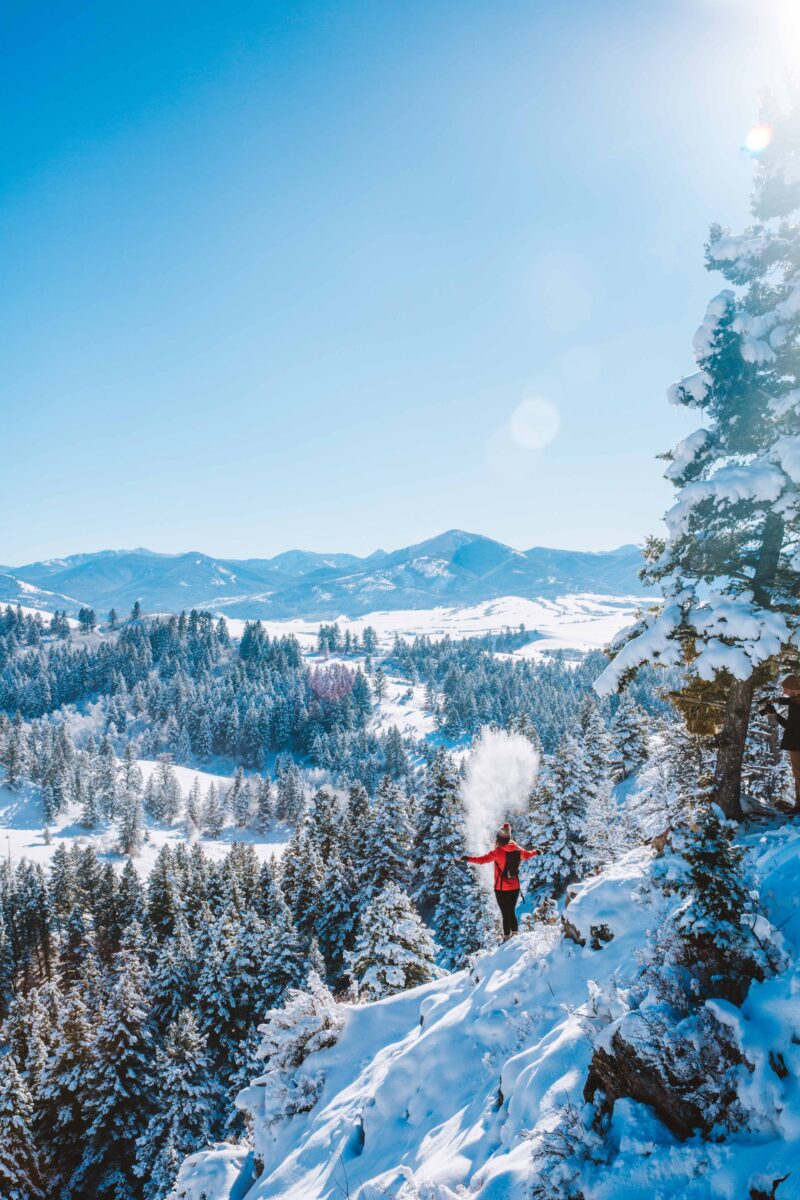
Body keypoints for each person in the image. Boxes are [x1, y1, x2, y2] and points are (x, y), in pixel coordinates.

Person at [461, 822, 538, 940]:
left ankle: (507, 938)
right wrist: (536, 851)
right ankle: (515, 935)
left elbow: (481, 860)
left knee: (505, 913)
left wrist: (467, 858)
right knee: (511, 911)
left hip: (501, 889)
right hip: (515, 887)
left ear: (499, 838)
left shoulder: (498, 852)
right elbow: (527, 855)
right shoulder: (517, 849)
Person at [762, 675, 800, 812]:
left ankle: (799, 807)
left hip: (797, 744)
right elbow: (792, 700)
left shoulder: (797, 705)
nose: (784, 691)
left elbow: (789, 725)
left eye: (786, 689)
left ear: (793, 688)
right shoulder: (796, 700)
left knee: (798, 775)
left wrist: (775, 714)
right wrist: (777, 700)